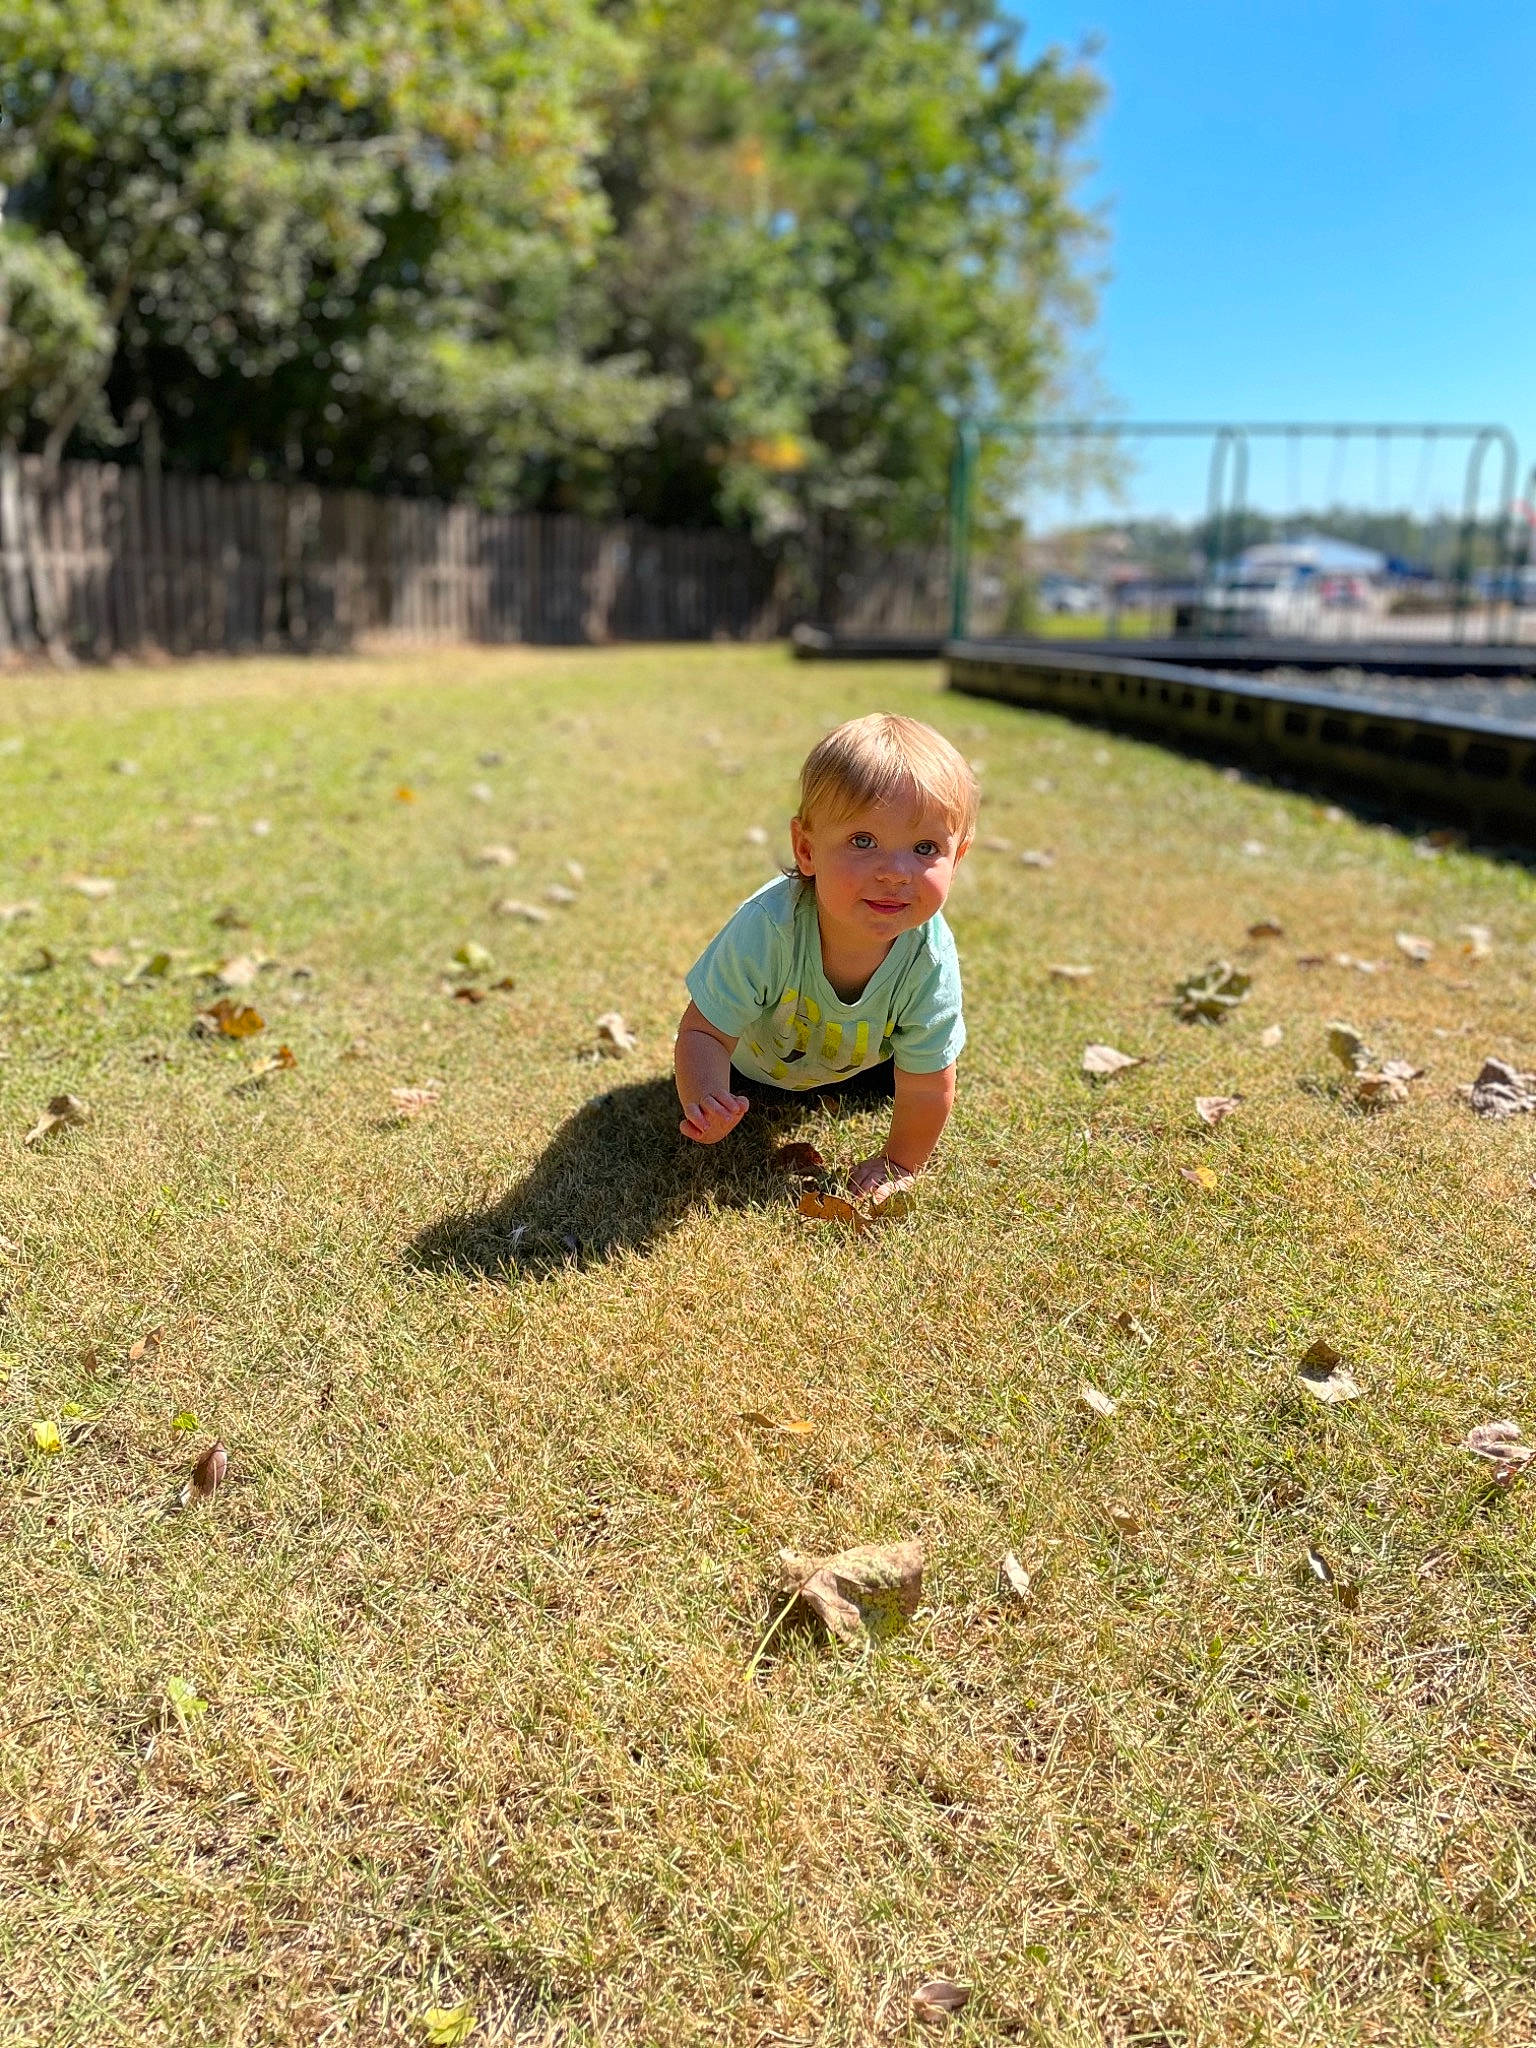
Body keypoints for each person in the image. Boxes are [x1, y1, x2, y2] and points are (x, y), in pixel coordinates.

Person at [675, 712, 976, 1199]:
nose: (895, 872)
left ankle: (851, 1084)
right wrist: (707, 1099)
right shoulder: (770, 928)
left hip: (862, 1067)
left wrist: (900, 1165)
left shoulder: (929, 957)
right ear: (806, 849)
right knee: (737, 1079)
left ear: (957, 858)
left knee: (906, 1074)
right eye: (863, 841)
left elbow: (927, 1082)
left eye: (924, 848)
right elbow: (702, 1031)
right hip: (753, 1073)